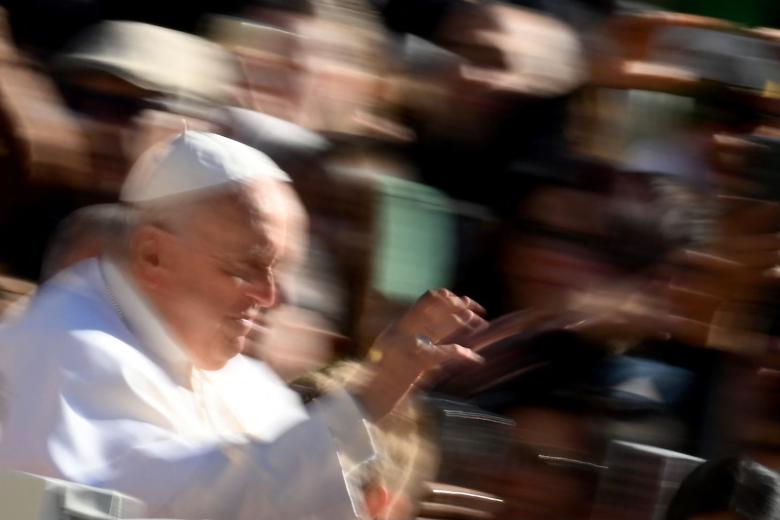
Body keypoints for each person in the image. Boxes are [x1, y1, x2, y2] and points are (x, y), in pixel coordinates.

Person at [0, 131, 485, 520]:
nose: (271, 297)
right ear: (154, 255)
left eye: (282, 269)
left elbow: (280, 479)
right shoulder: (66, 349)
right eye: (245, 268)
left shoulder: (229, 368)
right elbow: (181, 508)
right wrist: (375, 391)